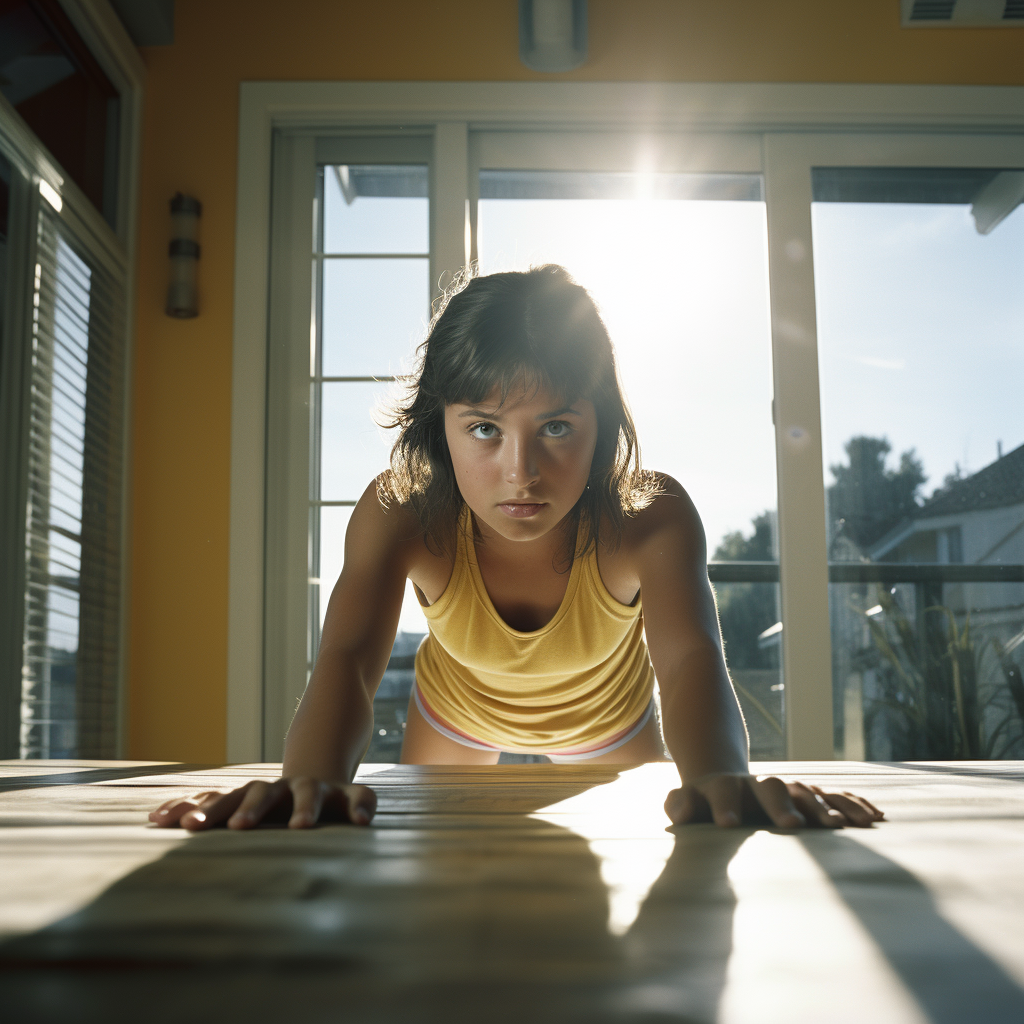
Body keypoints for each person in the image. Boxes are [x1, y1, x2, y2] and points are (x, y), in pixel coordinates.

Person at [151, 266, 883, 833]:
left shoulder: (649, 515)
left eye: (557, 427)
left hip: (614, 725)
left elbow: (691, 659)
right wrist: (304, 779)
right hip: (454, 714)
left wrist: (725, 774)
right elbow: (345, 658)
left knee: (697, 831)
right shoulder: (400, 511)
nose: (521, 472)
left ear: (604, 425)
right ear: (440, 426)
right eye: (485, 429)